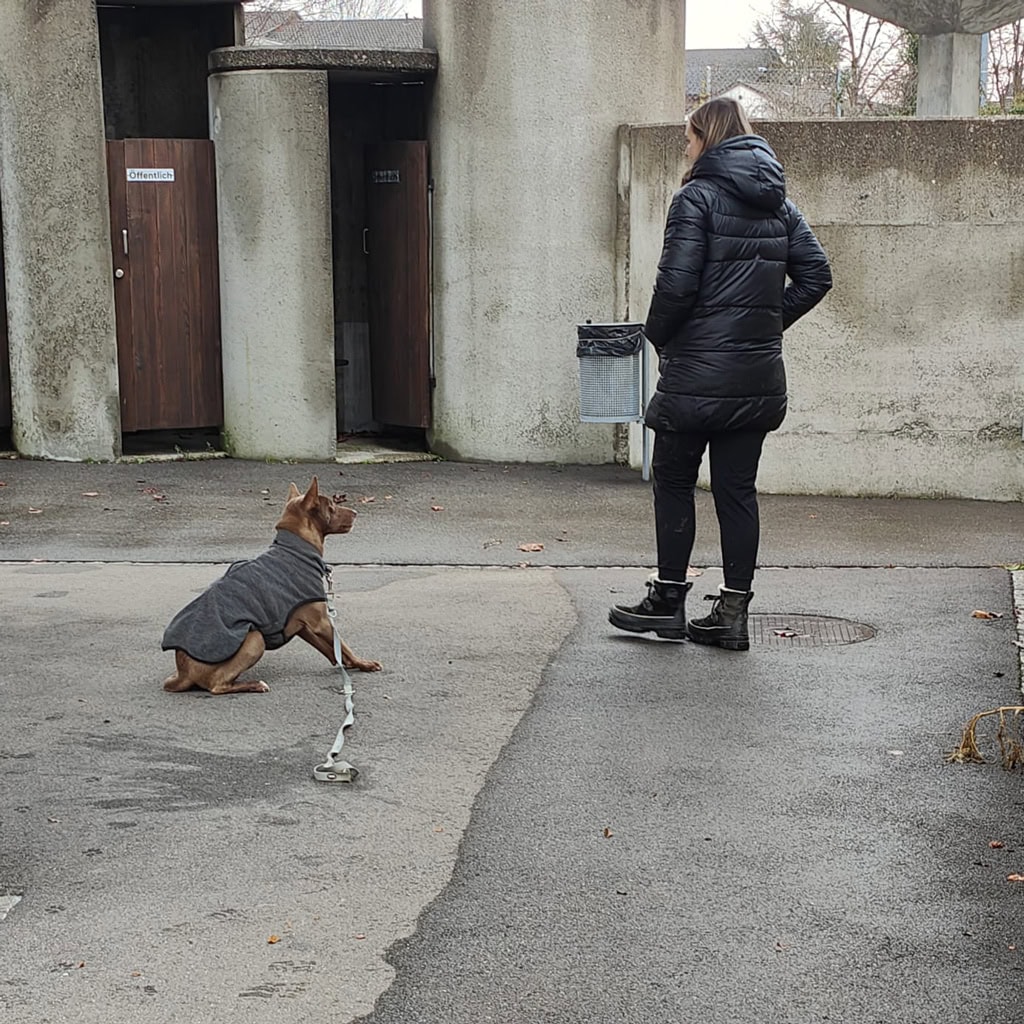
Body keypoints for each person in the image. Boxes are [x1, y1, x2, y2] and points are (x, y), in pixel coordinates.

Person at [608, 96, 832, 651]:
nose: (684, 148)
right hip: (755, 375)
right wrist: (761, 326)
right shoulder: (781, 206)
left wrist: (660, 336)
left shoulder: (696, 198)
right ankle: (731, 616)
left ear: (707, 137)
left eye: (688, 138)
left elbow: (675, 286)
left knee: (675, 480)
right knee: (737, 491)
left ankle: (667, 602)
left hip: (695, 375)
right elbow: (817, 276)